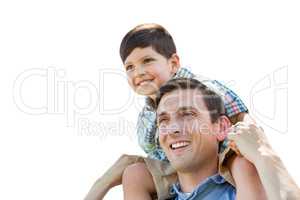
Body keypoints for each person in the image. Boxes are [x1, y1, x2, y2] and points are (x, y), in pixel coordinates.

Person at [85, 23, 263, 200]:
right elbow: (156, 153)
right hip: (178, 163)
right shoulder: (146, 117)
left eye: (147, 61)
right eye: (129, 67)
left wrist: (257, 146)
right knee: (134, 174)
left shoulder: (200, 88)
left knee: (243, 165)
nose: (138, 72)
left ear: (173, 63)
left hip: (220, 156)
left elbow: (240, 115)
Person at [154, 78, 300, 199]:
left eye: (187, 115)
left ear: (221, 127)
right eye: (163, 120)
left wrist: (263, 152)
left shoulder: (250, 190)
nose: (172, 129)